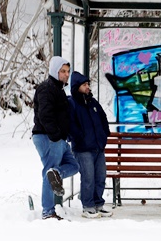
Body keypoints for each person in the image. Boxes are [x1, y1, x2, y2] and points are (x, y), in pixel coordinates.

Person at [32, 56, 80, 220]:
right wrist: (56, 136)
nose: (67, 74)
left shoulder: (58, 89)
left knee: (73, 165)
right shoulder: (46, 88)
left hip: (58, 138)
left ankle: (57, 174)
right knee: (49, 170)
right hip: (48, 137)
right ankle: (47, 211)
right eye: (63, 71)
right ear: (55, 71)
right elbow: (45, 115)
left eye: (68, 71)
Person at [68, 71, 112, 219]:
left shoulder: (92, 101)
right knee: (88, 178)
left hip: (98, 146)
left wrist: (104, 134)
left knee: (100, 176)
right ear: (77, 86)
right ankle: (88, 206)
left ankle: (98, 203)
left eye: (88, 84)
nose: (88, 87)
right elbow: (71, 125)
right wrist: (79, 138)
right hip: (83, 148)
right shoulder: (72, 103)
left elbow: (103, 117)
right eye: (84, 85)